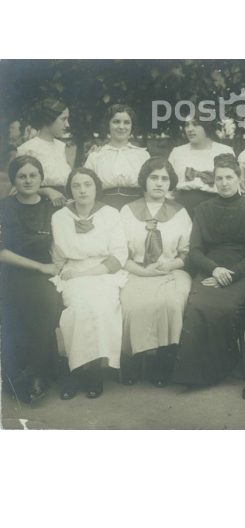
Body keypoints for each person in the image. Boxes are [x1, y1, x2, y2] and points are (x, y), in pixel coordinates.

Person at [172, 154, 245, 387]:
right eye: (219, 178)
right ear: (213, 180)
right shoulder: (203, 209)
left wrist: (232, 274)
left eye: (229, 177)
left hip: (240, 272)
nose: (224, 183)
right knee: (197, 307)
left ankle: (222, 364)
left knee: (223, 308)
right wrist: (214, 271)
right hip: (208, 268)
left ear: (239, 178)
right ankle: (194, 374)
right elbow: (194, 250)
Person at [51, 168, 128, 399]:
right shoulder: (60, 217)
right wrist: (63, 272)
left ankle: (94, 370)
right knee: (78, 308)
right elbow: (57, 257)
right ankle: (76, 369)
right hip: (72, 271)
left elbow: (118, 256)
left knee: (101, 306)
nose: (82, 190)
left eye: (88, 184)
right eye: (76, 185)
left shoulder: (111, 214)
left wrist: (91, 273)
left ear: (96, 187)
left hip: (104, 272)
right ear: (70, 190)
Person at [119, 158, 192, 387]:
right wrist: (140, 271)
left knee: (171, 303)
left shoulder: (180, 212)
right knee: (131, 304)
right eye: (154, 177)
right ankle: (133, 358)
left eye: (164, 179)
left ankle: (163, 360)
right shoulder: (127, 211)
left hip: (170, 270)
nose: (159, 183)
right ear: (144, 180)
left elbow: (187, 253)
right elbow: (119, 252)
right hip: (136, 270)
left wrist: (169, 266)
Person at [0, 156, 61, 403]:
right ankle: (14, 376)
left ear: (41, 178)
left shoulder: (53, 206)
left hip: (47, 269)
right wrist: (40, 267)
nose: (28, 180)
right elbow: (2, 250)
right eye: (22, 176)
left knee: (46, 302)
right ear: (14, 179)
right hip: (14, 268)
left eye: (33, 175)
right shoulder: (4, 207)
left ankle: (38, 374)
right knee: (13, 305)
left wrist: (54, 267)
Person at [84, 104, 150, 209]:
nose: (121, 127)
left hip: (137, 210)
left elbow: (149, 188)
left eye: (126, 122)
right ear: (108, 125)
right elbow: (86, 186)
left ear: (132, 126)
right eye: (116, 122)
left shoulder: (142, 156)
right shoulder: (96, 156)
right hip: (104, 208)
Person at [168, 112, 234, 216]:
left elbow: (234, 186)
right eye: (187, 125)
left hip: (216, 210)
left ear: (207, 126)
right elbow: (168, 188)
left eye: (195, 124)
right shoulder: (177, 152)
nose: (190, 129)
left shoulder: (224, 151)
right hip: (182, 210)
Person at [16, 98, 72, 206]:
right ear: (49, 119)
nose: (67, 125)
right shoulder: (28, 149)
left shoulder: (60, 147)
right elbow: (19, 186)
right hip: (39, 205)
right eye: (63, 119)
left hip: (63, 202)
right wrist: (47, 191)